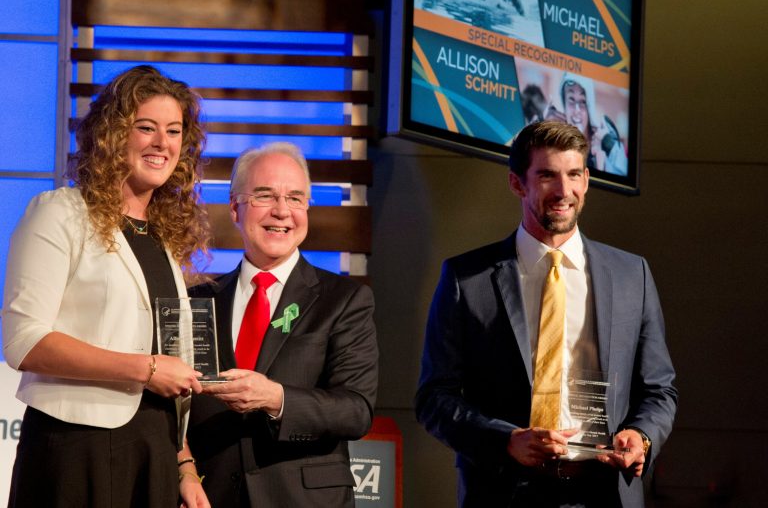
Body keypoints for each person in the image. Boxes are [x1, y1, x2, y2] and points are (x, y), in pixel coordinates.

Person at [414, 121, 677, 507]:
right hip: (504, 491)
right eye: (547, 176)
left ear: (587, 180)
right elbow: (434, 398)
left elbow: (659, 388)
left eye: (573, 175)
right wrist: (505, 440)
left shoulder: (630, 275)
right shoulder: (467, 278)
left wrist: (642, 436)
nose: (564, 191)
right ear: (517, 184)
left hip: (604, 491)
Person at [2, 65, 211, 508]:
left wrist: (183, 463)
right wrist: (147, 369)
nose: (162, 143)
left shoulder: (161, 238)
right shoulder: (59, 213)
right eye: (146, 128)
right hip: (77, 450)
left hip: (152, 453)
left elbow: (170, 369)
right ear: (113, 134)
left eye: (174, 131)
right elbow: (24, 342)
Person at [186, 142, 378, 507]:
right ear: (234, 208)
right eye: (264, 195)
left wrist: (276, 398)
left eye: (295, 198)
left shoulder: (344, 300)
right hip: (210, 497)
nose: (281, 211)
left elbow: (356, 410)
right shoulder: (196, 302)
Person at [545, 73, 628, 176]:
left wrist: (609, 145)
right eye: (571, 100)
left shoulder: (605, 142)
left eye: (582, 102)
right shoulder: (557, 142)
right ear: (564, 105)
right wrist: (544, 132)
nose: (577, 110)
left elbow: (623, 172)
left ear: (590, 106)